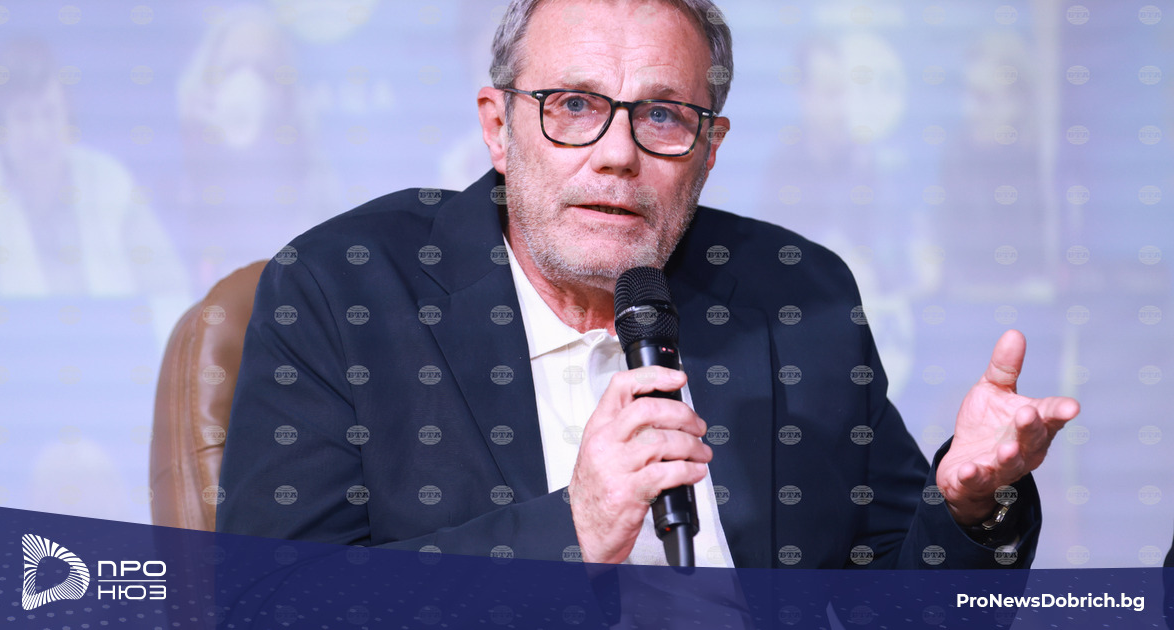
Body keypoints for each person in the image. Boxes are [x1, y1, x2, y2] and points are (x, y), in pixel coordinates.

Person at [217, 0, 1079, 569]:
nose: (618, 154)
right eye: (574, 105)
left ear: (710, 150)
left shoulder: (797, 298)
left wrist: (970, 505)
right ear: (498, 128)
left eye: (662, 115)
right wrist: (573, 531)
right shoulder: (347, 293)